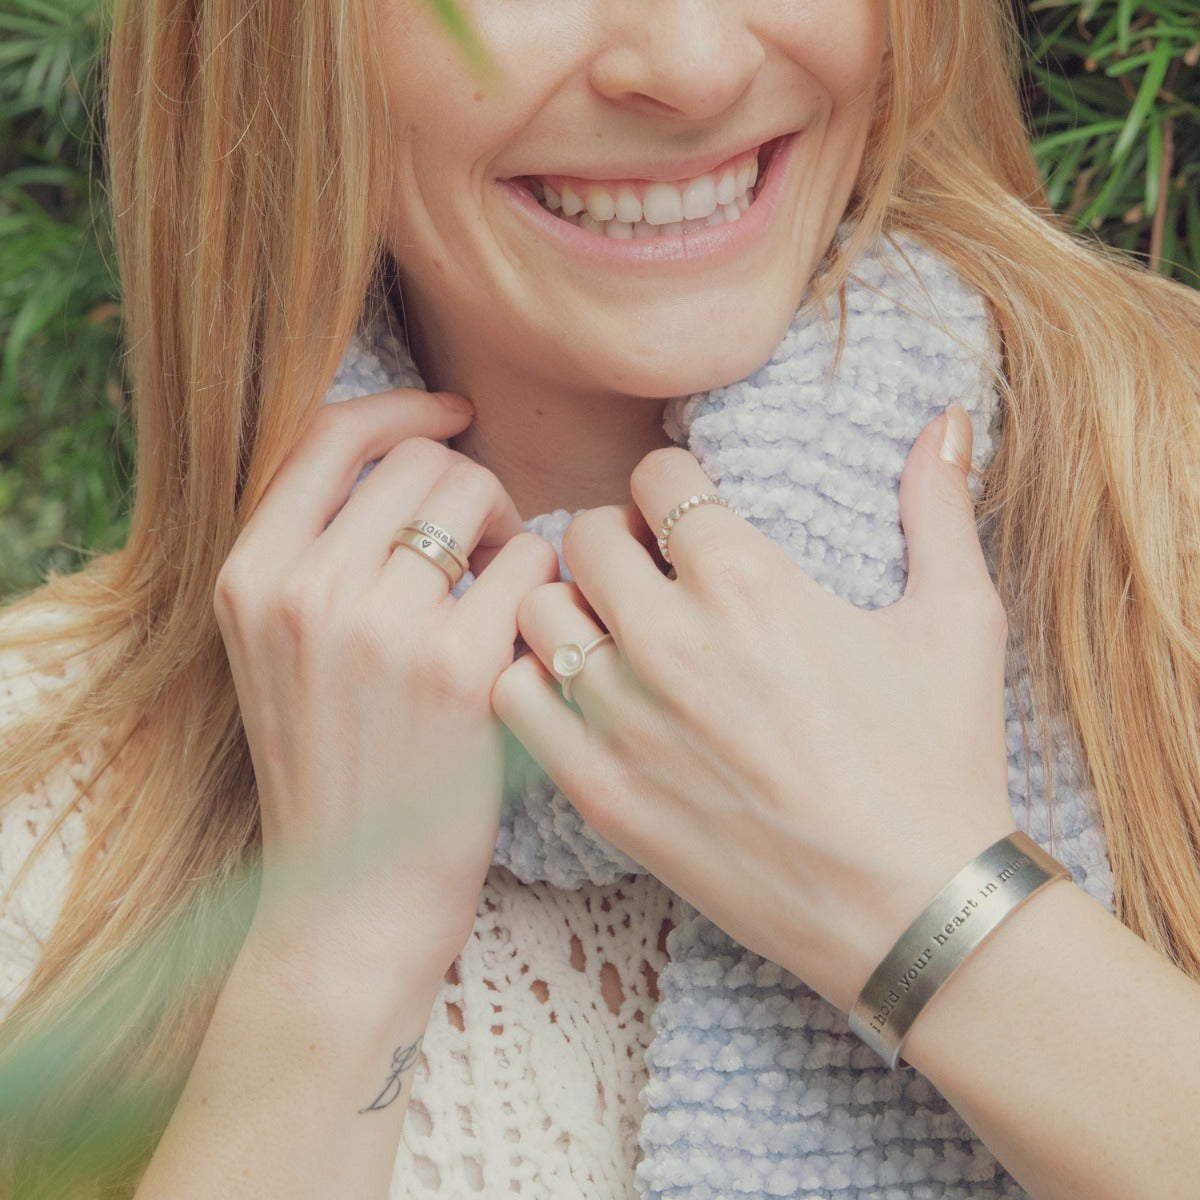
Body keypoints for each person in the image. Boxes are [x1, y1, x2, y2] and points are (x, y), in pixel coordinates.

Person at [2, 0, 1199, 1196]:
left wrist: (917, 894)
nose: (692, 65)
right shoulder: (34, 814)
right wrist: (336, 946)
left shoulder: (1171, 518)